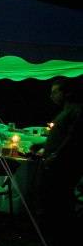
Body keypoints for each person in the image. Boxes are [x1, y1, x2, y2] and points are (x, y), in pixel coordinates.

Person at [38, 78, 83, 221]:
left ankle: (61, 230)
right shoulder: (65, 111)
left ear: (67, 93)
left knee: (60, 196)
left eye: (55, 92)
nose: (51, 96)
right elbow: (60, 136)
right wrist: (42, 146)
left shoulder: (76, 111)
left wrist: (56, 155)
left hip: (64, 164)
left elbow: (73, 137)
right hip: (55, 162)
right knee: (52, 195)